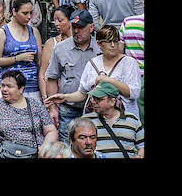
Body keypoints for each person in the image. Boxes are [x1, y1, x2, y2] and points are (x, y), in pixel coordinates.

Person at [46, 24, 141, 120]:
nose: (113, 45)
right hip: (96, 119)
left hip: (123, 118)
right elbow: (82, 93)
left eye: (115, 41)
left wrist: (109, 81)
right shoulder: (92, 63)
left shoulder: (129, 62)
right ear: (99, 44)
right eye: (108, 41)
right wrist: (65, 97)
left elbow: (134, 92)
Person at [43, 9, 101, 142]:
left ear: (91, 27)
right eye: (74, 27)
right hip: (68, 109)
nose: (76, 31)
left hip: (95, 109)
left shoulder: (100, 48)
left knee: (92, 146)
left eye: (80, 27)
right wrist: (53, 108)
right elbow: (52, 78)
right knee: (68, 148)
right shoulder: (60, 49)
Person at [0, 69, 58, 158]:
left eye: (9, 86)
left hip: (34, 153)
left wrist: (44, 149)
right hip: (4, 154)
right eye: (3, 85)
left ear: (21, 89)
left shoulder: (35, 105)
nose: (4, 89)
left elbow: (51, 130)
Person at [0, 0, 43, 101]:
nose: (29, 17)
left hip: (32, 86)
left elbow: (40, 62)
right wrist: (18, 58)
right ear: (14, 12)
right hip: (9, 87)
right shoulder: (3, 32)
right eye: (25, 13)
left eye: (30, 13)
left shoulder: (34, 31)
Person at [81, 81, 145, 158]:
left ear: (112, 101)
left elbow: (142, 146)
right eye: (93, 98)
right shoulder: (86, 120)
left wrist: (139, 156)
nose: (93, 102)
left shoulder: (132, 119)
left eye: (98, 99)